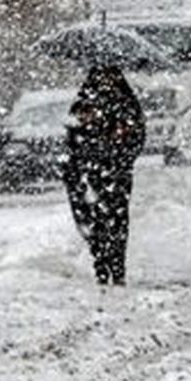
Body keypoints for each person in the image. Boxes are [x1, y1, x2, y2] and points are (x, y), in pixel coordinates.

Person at [62, 65, 145, 285]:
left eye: (110, 76)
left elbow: (137, 136)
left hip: (116, 172)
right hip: (89, 173)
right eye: (100, 76)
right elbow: (72, 138)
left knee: (116, 221)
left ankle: (117, 268)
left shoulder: (126, 102)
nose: (105, 80)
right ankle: (101, 264)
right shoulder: (83, 103)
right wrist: (85, 127)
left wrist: (121, 150)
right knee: (94, 221)